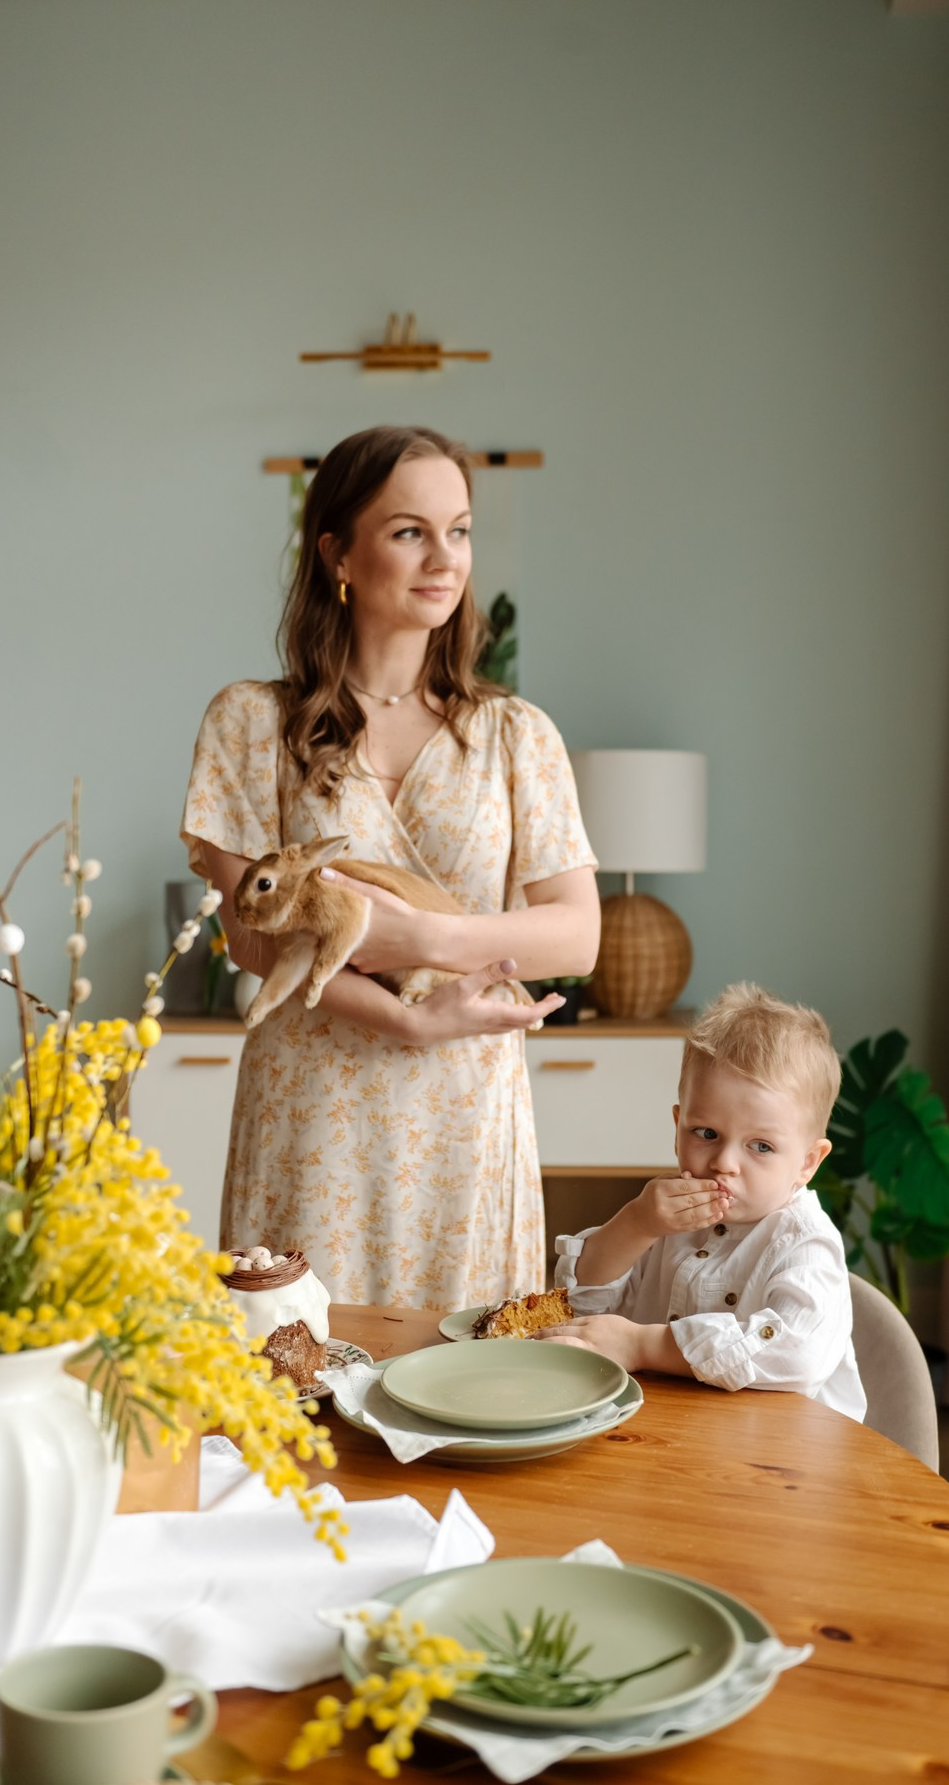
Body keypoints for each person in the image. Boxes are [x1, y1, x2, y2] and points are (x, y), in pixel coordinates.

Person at [181, 425, 599, 1310]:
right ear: (337, 549)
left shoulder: (517, 735)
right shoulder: (252, 725)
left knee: (469, 1403)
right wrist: (409, 1023)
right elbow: (250, 940)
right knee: (296, 1400)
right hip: (314, 1116)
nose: (444, 556)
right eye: (410, 530)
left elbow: (578, 932)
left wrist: (429, 936)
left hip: (467, 1119)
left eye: (461, 529)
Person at [542, 982, 866, 1420]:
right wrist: (636, 1224)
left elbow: (797, 1355)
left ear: (808, 1162)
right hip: (665, 1435)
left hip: (777, 1461)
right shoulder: (660, 1214)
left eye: (761, 1147)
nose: (724, 1163)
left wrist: (643, 1345)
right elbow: (579, 1304)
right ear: (679, 1125)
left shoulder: (804, 1244)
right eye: (706, 1133)